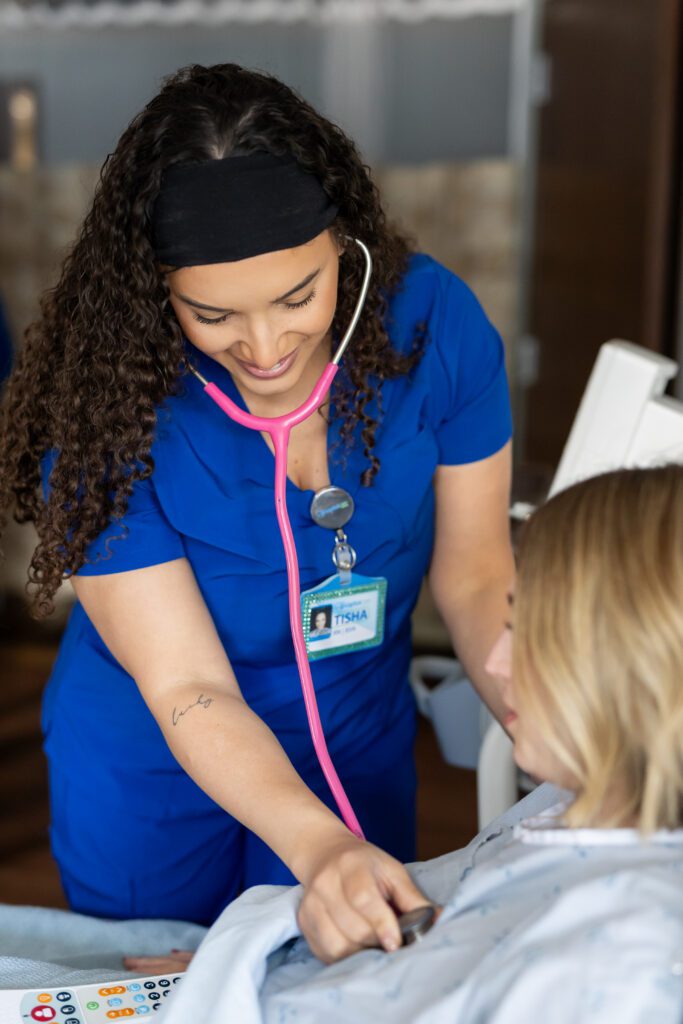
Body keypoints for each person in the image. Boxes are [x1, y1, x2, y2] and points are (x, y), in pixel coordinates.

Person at [0, 63, 514, 959]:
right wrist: (315, 845)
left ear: (342, 246)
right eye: (213, 314)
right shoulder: (103, 403)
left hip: (351, 739)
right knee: (172, 985)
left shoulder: (435, 327)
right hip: (159, 761)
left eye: (297, 297)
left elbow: (474, 573)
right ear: (156, 291)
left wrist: (543, 714)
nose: (267, 348)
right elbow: (184, 684)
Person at [158, 466, 683, 1022]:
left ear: (638, 671)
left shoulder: (631, 960)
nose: (493, 663)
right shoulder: (575, 807)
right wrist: (252, 962)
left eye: (529, 634)